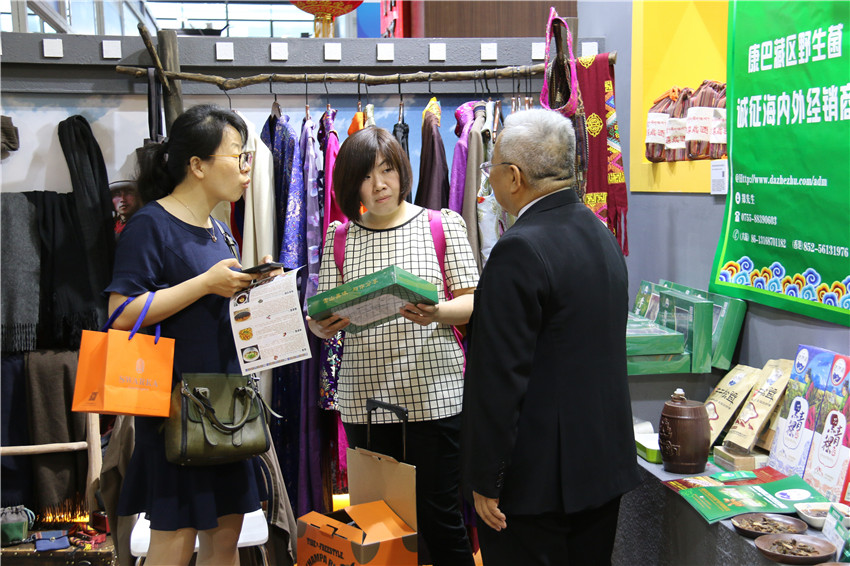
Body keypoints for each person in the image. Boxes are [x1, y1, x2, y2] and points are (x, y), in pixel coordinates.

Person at [462, 109, 641, 565]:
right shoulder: (600, 233)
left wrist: (486, 477)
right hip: (601, 467)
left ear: (514, 176)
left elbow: (499, 378)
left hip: (537, 485)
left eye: (491, 168)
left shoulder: (518, 249)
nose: (488, 178)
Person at [105, 104, 279, 566]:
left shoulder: (219, 231)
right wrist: (204, 284)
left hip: (227, 408)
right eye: (238, 156)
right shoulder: (150, 225)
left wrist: (258, 292)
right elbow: (120, 311)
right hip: (177, 410)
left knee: (225, 540)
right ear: (197, 165)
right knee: (175, 542)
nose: (246, 168)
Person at [307, 126, 479, 566]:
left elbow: (474, 301)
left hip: (434, 397)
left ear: (402, 170)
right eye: (365, 176)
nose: (379, 184)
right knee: (378, 525)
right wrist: (322, 326)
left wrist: (437, 312)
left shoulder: (441, 224)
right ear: (351, 185)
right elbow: (324, 316)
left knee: (441, 519)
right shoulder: (339, 238)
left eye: (387, 170)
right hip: (365, 401)